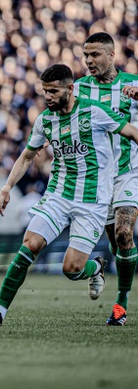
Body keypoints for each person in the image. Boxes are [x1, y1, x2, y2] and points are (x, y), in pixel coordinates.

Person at [0, 64, 138, 327]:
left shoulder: (94, 112)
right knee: (30, 245)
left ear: (70, 89)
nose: (48, 97)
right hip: (58, 195)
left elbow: (132, 132)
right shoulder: (45, 120)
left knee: (72, 269)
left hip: (92, 201)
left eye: (53, 91)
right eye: (45, 92)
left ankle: (95, 268)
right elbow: (27, 156)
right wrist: (6, 188)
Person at [74, 32, 138, 326]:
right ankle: (99, 267)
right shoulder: (78, 88)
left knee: (125, 234)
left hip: (129, 171)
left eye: (95, 54)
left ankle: (121, 305)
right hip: (98, 177)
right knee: (116, 244)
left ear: (112, 56)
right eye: (86, 55)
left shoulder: (132, 84)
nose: (89, 61)